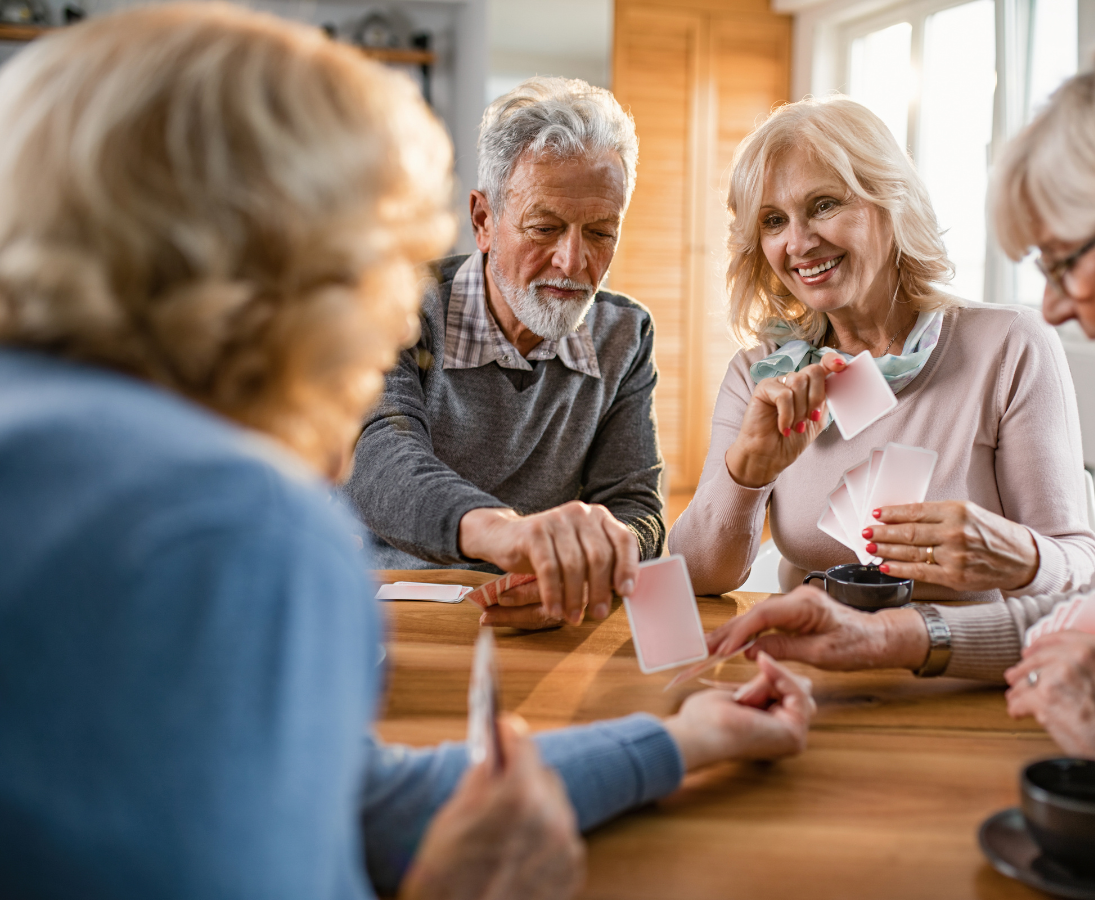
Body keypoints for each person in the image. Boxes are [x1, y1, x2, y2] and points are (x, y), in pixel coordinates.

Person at [0, 7, 816, 899]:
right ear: (261, 257)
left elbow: (351, 797)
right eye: (375, 258)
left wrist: (678, 741)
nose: (393, 311)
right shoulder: (238, 525)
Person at [706, 22, 1095, 899]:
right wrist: (890, 636)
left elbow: (1081, 588)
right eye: (774, 221)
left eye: (1069, 260)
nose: (1051, 304)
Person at [669, 97, 1095, 600]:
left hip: (960, 665)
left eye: (824, 205)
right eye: (772, 221)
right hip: (808, 663)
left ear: (891, 202)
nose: (798, 242)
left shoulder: (1009, 347)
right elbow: (694, 580)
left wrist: (1013, 553)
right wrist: (745, 474)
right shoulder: (760, 375)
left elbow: (1080, 569)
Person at [344, 76, 662, 630]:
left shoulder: (625, 335)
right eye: (545, 228)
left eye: (601, 232)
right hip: (391, 603)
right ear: (484, 221)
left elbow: (637, 509)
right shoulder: (399, 304)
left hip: (541, 614)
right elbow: (379, 457)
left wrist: (589, 566)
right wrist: (510, 533)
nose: (572, 261)